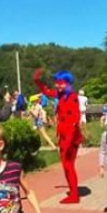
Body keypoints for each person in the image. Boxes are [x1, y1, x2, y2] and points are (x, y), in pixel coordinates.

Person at [33, 69, 83, 204]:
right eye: (56, 83)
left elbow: (75, 119)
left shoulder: (72, 97)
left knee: (69, 166)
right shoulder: (60, 95)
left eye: (60, 83)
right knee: (66, 166)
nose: (57, 85)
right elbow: (46, 92)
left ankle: (74, 195)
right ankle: (73, 193)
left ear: (67, 83)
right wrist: (37, 81)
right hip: (64, 135)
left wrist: (69, 141)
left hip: (71, 137)